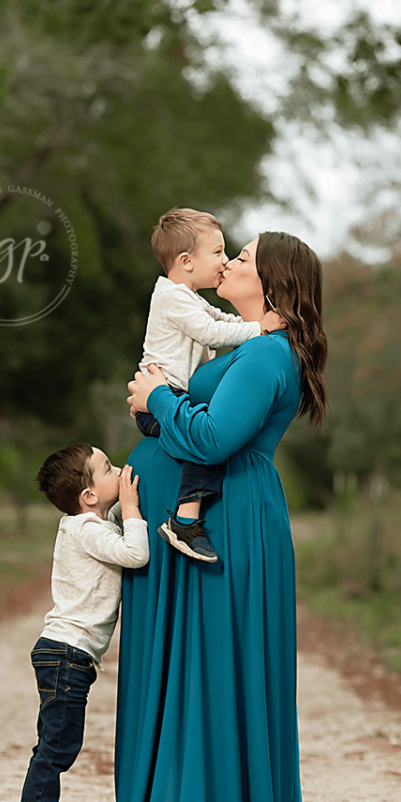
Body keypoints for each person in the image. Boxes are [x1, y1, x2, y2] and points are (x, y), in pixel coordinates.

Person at [72, 232, 401, 802]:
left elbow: (214, 438)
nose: (229, 262)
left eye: (240, 257)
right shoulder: (247, 344)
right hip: (205, 518)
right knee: (188, 668)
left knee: (210, 667)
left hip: (224, 523)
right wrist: (157, 410)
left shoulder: (269, 353)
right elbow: (200, 425)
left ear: (271, 281)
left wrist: (155, 398)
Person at [5, 444, 149, 802]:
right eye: (108, 468)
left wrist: (121, 510)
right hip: (67, 654)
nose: (120, 469)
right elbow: (136, 554)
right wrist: (132, 509)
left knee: (54, 744)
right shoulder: (87, 529)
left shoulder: (89, 524)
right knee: (57, 748)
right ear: (89, 495)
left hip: (64, 654)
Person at [136, 208, 283, 563]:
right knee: (199, 439)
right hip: (164, 394)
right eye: (217, 252)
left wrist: (255, 325)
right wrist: (258, 328)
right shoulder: (172, 297)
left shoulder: (188, 298)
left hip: (167, 396)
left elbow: (219, 318)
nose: (225, 260)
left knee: (201, 433)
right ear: (187, 260)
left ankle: (185, 517)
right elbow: (211, 332)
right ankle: (185, 519)